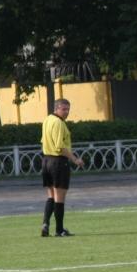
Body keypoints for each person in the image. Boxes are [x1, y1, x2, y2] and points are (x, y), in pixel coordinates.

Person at [40, 98, 85, 237]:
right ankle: (59, 230)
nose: (66, 112)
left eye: (68, 109)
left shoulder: (47, 119)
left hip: (46, 160)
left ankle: (45, 224)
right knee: (59, 197)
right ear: (56, 108)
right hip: (58, 162)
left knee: (51, 196)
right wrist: (75, 159)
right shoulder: (59, 123)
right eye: (64, 109)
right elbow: (60, 147)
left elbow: (43, 141)